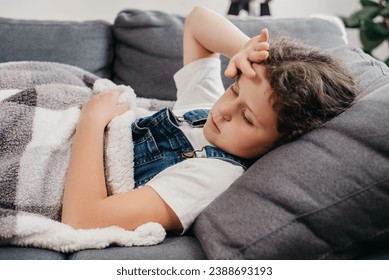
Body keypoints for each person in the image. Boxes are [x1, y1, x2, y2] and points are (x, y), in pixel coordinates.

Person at [61, 6, 356, 233]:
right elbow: (197, 21)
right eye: (235, 91)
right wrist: (243, 49)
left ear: (278, 146)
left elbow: (83, 220)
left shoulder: (213, 177)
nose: (225, 110)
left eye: (248, 119)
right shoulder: (207, 108)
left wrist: (92, 121)